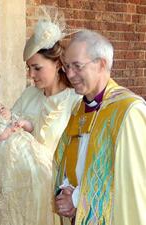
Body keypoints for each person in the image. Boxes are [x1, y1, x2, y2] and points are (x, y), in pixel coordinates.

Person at [53, 29, 146, 225]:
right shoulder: (79, 108)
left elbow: (133, 183)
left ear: (101, 64)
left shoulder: (128, 110)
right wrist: (66, 192)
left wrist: (78, 198)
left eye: (77, 66)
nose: (70, 74)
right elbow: (65, 160)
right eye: (67, 66)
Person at [5, 7, 81, 225]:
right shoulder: (28, 96)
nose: (31, 76)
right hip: (23, 196)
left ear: (57, 64)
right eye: (28, 68)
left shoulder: (74, 101)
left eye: (37, 68)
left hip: (55, 199)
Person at [0, 101, 53, 225]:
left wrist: (23, 123)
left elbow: (30, 128)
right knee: (20, 179)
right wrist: (8, 130)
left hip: (30, 150)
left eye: (2, 107)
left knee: (41, 168)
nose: (1, 110)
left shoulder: (15, 118)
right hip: (14, 155)